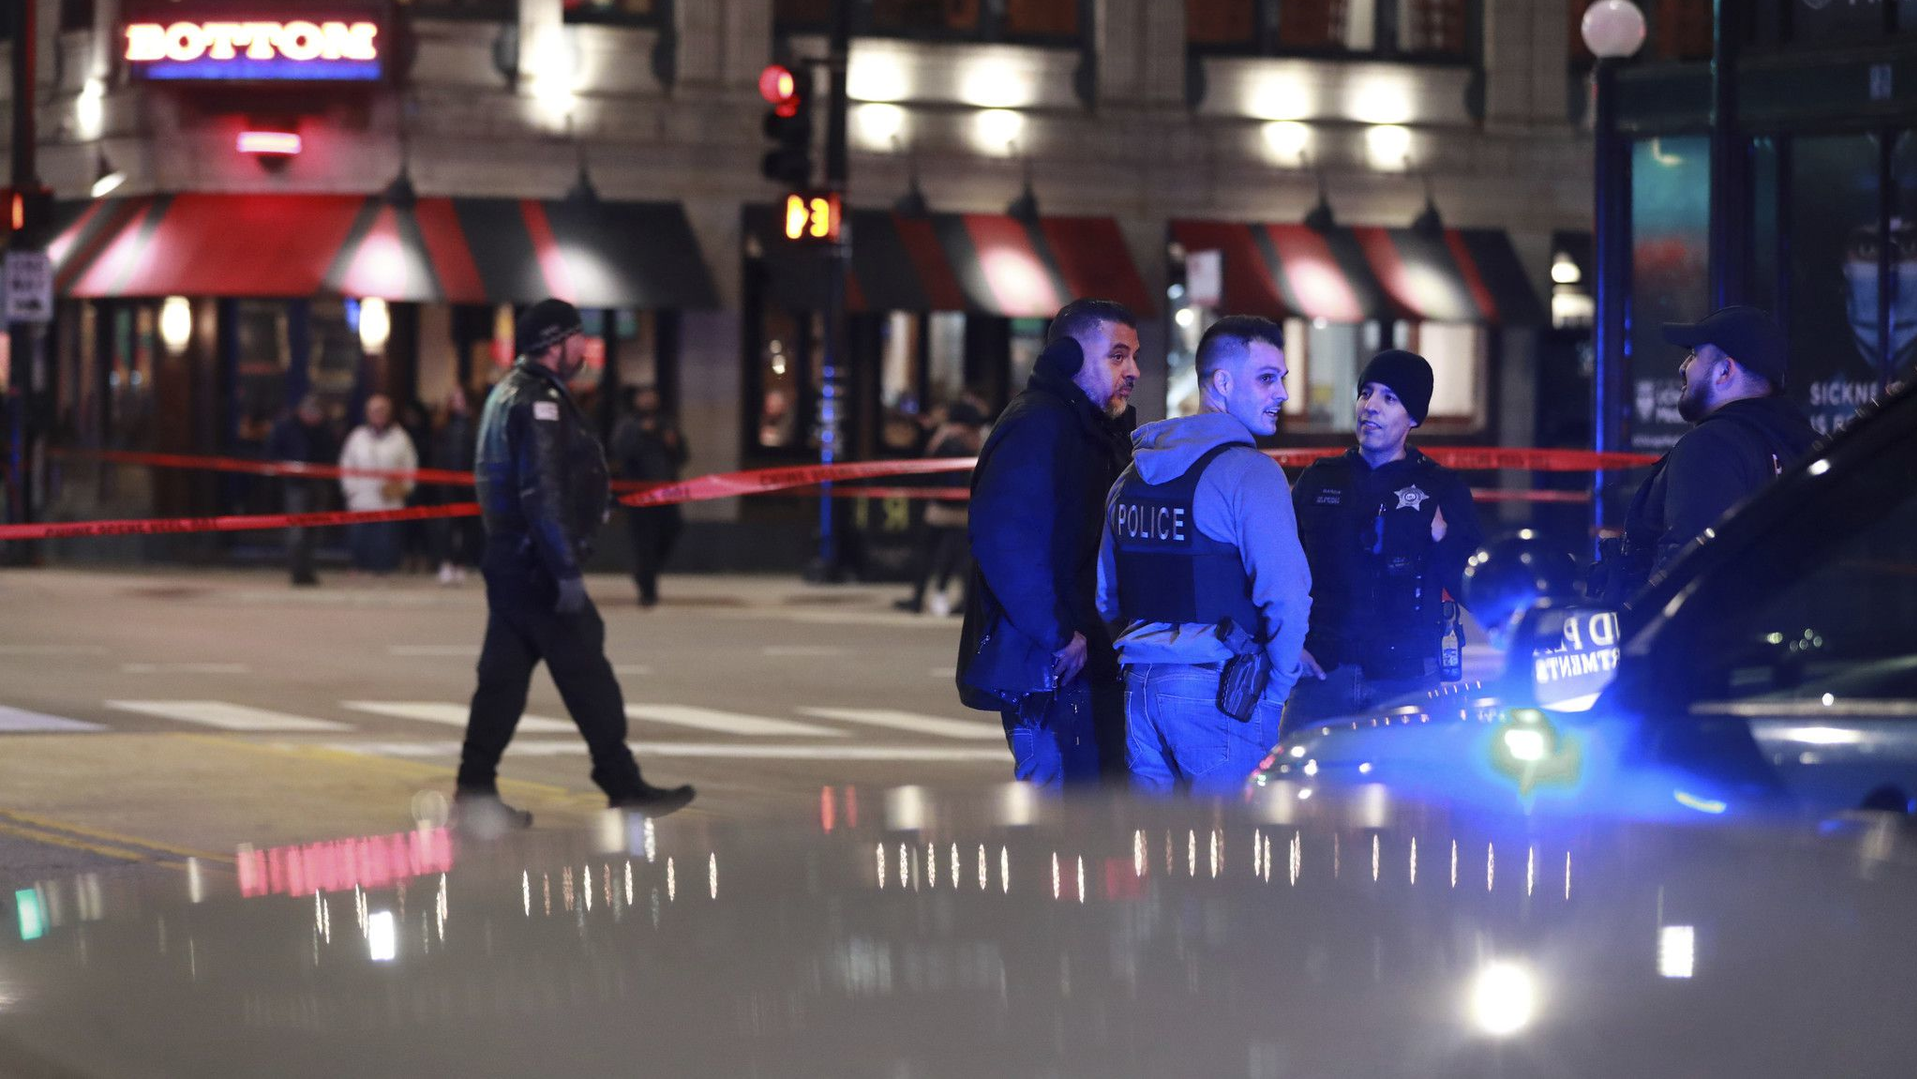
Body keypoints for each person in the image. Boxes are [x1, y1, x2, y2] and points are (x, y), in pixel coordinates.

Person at [457, 299, 694, 827]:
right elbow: (541, 492)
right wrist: (564, 570)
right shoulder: (538, 401)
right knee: (588, 671)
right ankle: (621, 782)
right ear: (554, 344)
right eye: (578, 338)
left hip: (511, 560)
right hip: (537, 564)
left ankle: (473, 792)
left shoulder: (506, 393)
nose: (585, 348)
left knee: (502, 679)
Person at [1096, 315, 1312, 795]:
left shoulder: (1131, 476)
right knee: (1230, 860)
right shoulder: (1251, 474)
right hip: (1219, 692)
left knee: (1154, 857)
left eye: (1282, 379)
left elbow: (1107, 597)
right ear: (1222, 382)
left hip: (1140, 689)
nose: (1281, 394)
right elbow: (1289, 598)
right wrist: (1274, 694)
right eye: (1267, 378)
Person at [957, 298, 1140, 788]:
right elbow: (1007, 540)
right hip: (1052, 664)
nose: (1134, 370)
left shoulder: (1094, 429)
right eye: (1118, 356)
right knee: (1060, 826)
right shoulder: (1039, 425)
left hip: (1085, 658)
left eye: (1134, 356)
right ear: (1071, 357)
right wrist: (1057, 634)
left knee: (1092, 820)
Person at [1284, 350, 1483, 729]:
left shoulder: (1440, 486)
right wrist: (1289, 644)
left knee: (1409, 790)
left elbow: (1473, 588)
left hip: (1408, 681)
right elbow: (1278, 570)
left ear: (1413, 417)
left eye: (1389, 398)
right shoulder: (1321, 479)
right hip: (1323, 675)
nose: (1370, 407)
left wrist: (1443, 537)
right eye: (1366, 394)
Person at [1597, 305, 1819, 603]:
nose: (1682, 367)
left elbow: (1685, 570)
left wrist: (1636, 627)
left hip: (1704, 643)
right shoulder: (1807, 447)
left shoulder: (1711, 446)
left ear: (1724, 371)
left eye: (1693, 355)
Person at [895, 400, 986, 617]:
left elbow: (930, 468)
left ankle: (918, 598)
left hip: (940, 508)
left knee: (927, 553)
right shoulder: (978, 440)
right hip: (966, 508)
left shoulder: (947, 440)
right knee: (965, 558)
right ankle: (965, 602)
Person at [608, 384, 689, 607]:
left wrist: (671, 444)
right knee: (645, 542)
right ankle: (648, 590)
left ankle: (645, 573)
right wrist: (641, 433)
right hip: (639, 493)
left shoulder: (666, 424)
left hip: (666, 491)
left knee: (671, 530)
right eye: (643, 397)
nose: (648, 400)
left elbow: (681, 455)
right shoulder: (628, 425)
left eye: (651, 396)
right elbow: (621, 451)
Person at [338, 394, 417, 576]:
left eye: (382, 410)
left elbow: (410, 465)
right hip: (361, 499)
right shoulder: (357, 437)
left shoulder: (400, 437)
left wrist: (404, 488)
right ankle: (359, 566)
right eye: (374, 411)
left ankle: (384, 569)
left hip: (389, 499)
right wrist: (351, 489)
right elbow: (346, 464)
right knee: (360, 538)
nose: (378, 414)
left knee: (386, 539)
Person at [265, 394, 336, 586]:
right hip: (295, 485)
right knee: (297, 532)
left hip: (319, 484)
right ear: (302, 411)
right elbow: (272, 453)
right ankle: (297, 572)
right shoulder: (285, 427)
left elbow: (332, 454)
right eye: (311, 413)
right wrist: (288, 467)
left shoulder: (325, 429)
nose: (314, 418)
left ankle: (309, 571)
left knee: (315, 531)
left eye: (318, 414)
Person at [432, 386, 482, 586]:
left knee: (468, 526)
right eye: (454, 398)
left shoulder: (477, 424)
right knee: (446, 526)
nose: (457, 402)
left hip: (470, 483)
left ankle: (460, 563)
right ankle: (445, 563)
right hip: (447, 483)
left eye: (460, 398)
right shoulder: (442, 425)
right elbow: (436, 452)